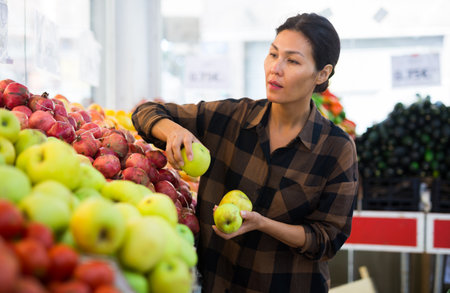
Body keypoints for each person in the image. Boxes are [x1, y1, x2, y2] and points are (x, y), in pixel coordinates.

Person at [132, 12, 358, 293]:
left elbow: (327, 239)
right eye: (273, 54)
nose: (276, 68)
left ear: (322, 74)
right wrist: (174, 132)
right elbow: (146, 112)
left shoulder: (336, 148)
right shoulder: (231, 117)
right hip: (219, 282)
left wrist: (263, 224)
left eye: (292, 60)